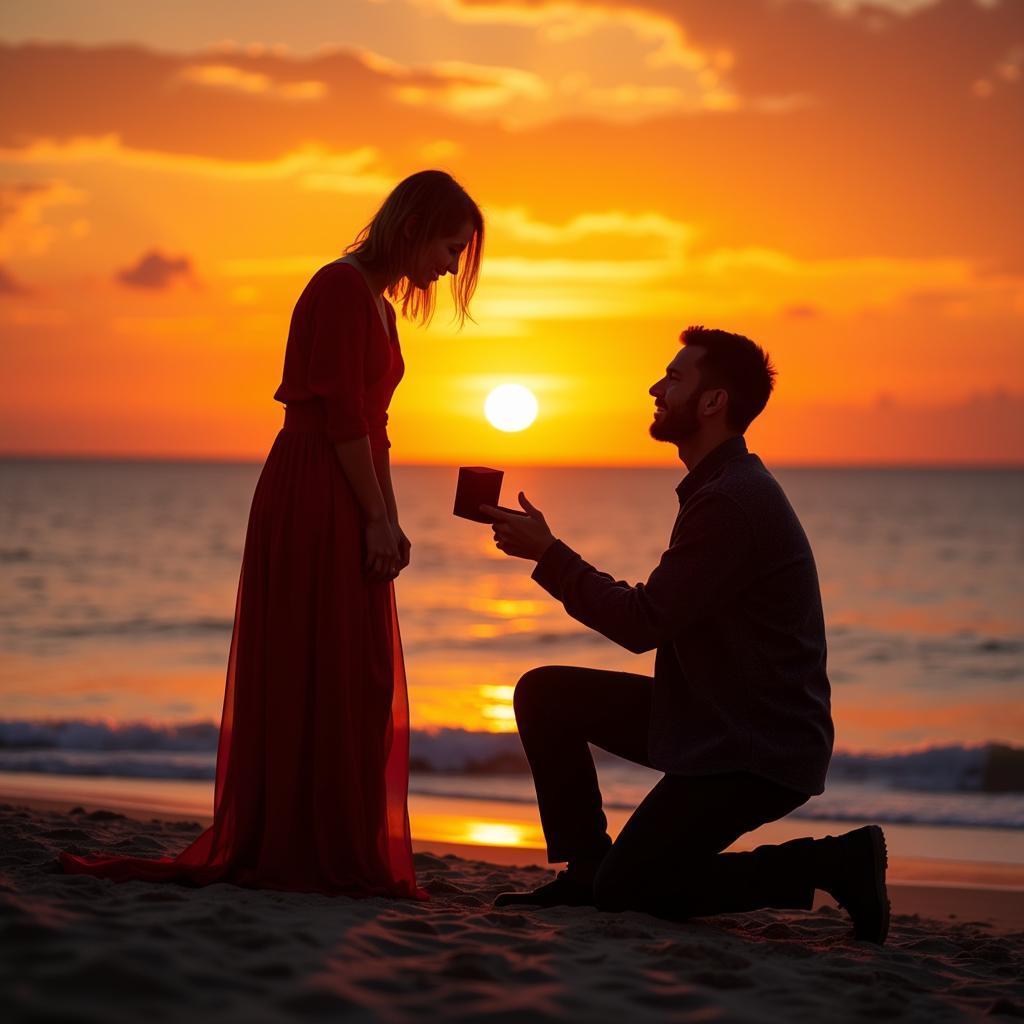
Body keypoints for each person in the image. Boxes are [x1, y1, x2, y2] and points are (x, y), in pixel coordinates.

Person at [60, 170, 484, 897]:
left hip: (348, 484)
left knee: (359, 668)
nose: (450, 268)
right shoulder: (339, 289)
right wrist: (374, 513)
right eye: (450, 248)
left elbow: (376, 427)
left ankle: (336, 834)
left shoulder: (378, 307)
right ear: (412, 228)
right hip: (313, 486)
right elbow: (341, 417)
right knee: (312, 658)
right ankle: (296, 840)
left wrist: (390, 513)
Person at [481, 327, 889, 944]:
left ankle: (832, 862)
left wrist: (550, 554)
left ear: (712, 402)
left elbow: (641, 623)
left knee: (630, 892)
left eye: (673, 377)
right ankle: (584, 868)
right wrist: (549, 554)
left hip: (756, 748)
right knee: (546, 694)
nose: (655, 387)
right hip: (706, 721)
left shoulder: (733, 502)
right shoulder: (717, 490)